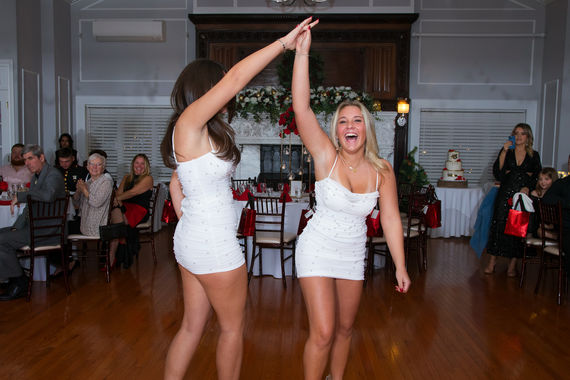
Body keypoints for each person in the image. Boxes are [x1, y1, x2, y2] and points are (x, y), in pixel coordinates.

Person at [159, 17, 316, 380]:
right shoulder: (188, 123)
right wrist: (283, 44)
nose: (227, 92)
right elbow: (235, 80)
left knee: (191, 327)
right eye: (219, 85)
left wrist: (192, 221)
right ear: (206, 88)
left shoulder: (194, 131)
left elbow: (174, 184)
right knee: (231, 329)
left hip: (193, 241)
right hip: (213, 244)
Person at [291, 26, 410, 380]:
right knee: (324, 331)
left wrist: (400, 267)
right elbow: (301, 107)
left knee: (345, 329)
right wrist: (301, 54)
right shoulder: (326, 156)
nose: (349, 125)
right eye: (343, 121)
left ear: (366, 128)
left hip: (353, 252)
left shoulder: (382, 170)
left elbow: (390, 219)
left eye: (356, 119)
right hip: (317, 247)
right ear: (336, 131)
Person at [0, 145, 65, 300]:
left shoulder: (53, 175)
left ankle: (19, 281)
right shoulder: (37, 176)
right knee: (2, 233)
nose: (27, 163)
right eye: (25, 160)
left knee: (2, 240)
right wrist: (16, 227)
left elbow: (48, 196)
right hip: (36, 227)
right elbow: (29, 207)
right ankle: (14, 279)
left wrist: (22, 195)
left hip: (48, 230)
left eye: (30, 158)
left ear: (41, 158)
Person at [485, 123, 542, 277]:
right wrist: (503, 151)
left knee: (517, 229)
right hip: (505, 194)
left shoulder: (534, 155)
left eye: (522, 133)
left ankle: (512, 266)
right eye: (516, 133)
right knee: (499, 226)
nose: (518, 136)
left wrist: (528, 187)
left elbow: (536, 175)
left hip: (521, 196)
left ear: (528, 137)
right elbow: (498, 173)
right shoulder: (507, 152)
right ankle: (492, 262)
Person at [107, 153, 154, 269]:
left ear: (146, 166)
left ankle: (112, 255)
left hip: (139, 210)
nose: (139, 166)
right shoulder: (127, 177)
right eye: (137, 163)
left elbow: (133, 192)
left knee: (114, 213)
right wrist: (118, 199)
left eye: (142, 163)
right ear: (133, 164)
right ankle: (117, 248)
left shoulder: (148, 178)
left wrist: (116, 200)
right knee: (116, 212)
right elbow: (119, 193)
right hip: (124, 207)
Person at [528, 167, 558, 238]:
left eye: (546, 179)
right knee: (540, 231)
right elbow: (531, 216)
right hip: (538, 226)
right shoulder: (534, 194)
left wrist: (551, 226)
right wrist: (529, 232)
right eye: (540, 179)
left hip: (554, 226)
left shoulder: (556, 196)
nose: (543, 182)